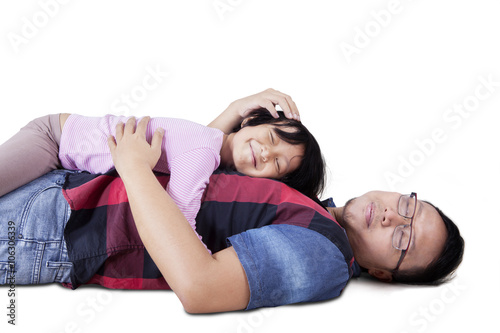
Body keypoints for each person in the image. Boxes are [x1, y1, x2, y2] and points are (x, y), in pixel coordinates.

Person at [0, 90, 464, 313]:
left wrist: (135, 169)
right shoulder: (307, 207)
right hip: (67, 181)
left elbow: (199, 287)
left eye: (402, 237)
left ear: (385, 273)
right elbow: (190, 180)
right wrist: (232, 113)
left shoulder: (324, 255)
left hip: (55, 228)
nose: (389, 216)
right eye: (407, 205)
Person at [0, 89, 325, 250]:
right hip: (53, 140)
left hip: (64, 157)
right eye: (271, 137)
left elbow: (192, 156)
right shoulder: (204, 149)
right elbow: (177, 221)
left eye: (278, 163)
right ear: (251, 120)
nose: (265, 152)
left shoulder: (207, 144)